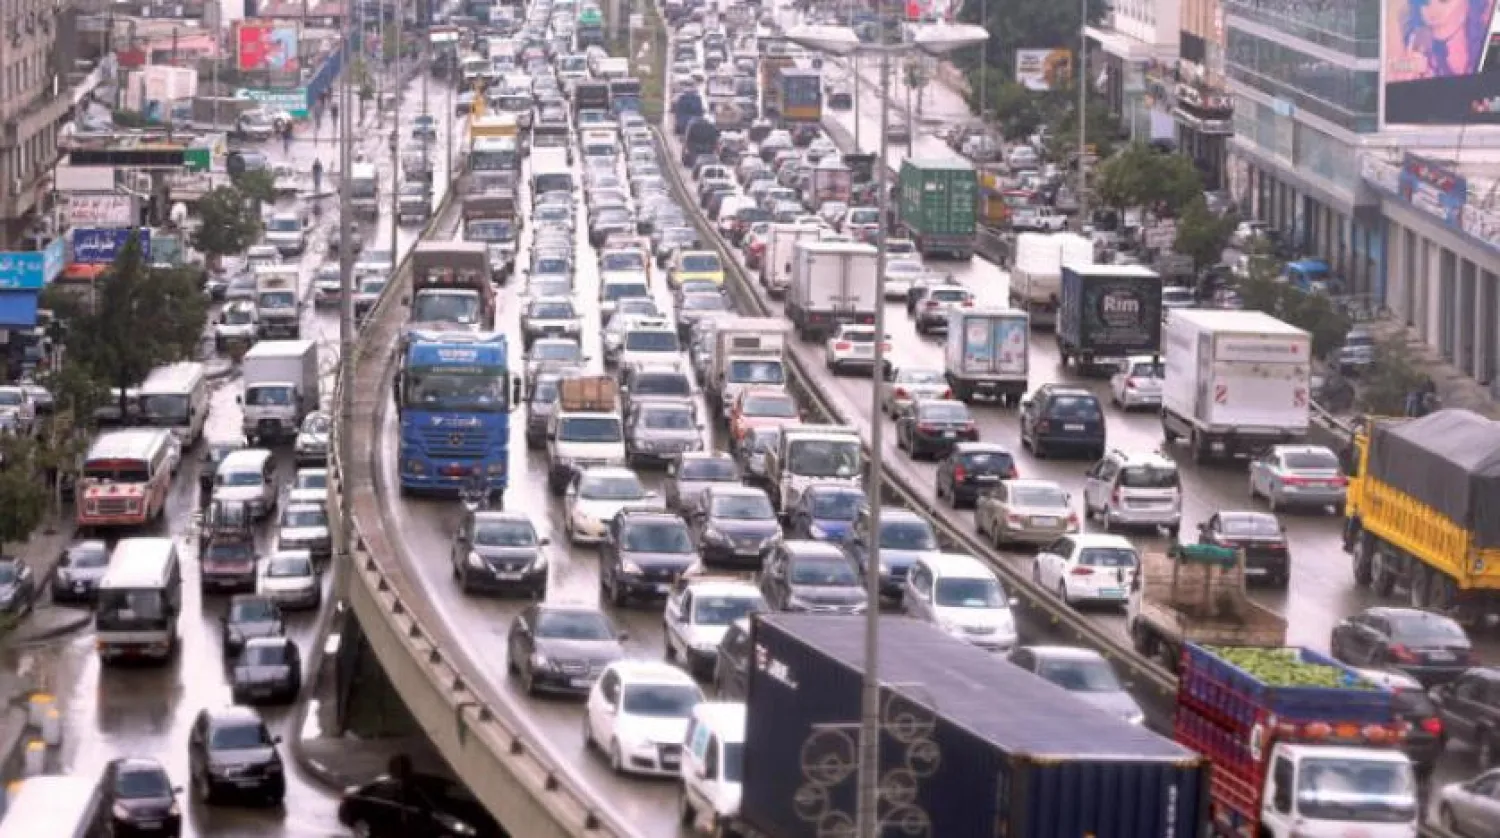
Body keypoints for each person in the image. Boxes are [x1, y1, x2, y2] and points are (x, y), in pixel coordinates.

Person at [1387, 0, 1496, 82]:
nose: (1432, 13)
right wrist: (1407, 68)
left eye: (1444, 0)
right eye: (1424, 3)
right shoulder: (1419, 44)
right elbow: (1389, 66)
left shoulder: (1489, 42)